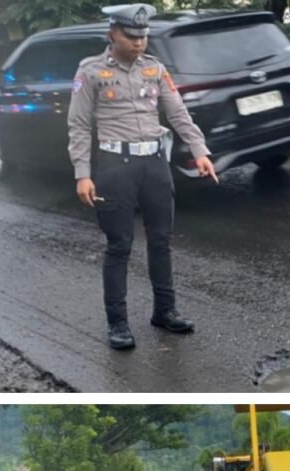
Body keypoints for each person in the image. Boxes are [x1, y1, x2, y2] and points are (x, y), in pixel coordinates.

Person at [67, 3, 218, 350]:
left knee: (161, 241)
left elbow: (178, 113)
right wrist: (82, 173)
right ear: (112, 34)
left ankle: (165, 311)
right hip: (114, 165)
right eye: (131, 35)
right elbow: (78, 125)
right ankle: (117, 323)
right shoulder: (89, 71)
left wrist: (200, 151)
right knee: (119, 245)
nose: (139, 42)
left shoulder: (155, 69)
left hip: (154, 163)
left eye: (143, 35)